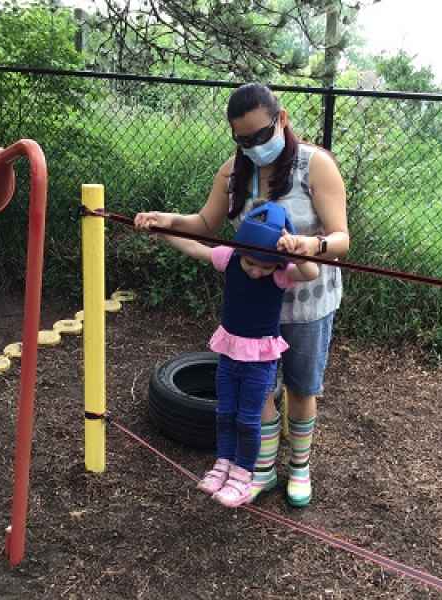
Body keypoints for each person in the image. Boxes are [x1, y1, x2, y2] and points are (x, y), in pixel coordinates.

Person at [135, 82, 349, 507]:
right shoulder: (236, 169)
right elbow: (204, 225)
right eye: (242, 139)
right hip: (253, 308)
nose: (252, 146)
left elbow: (341, 238)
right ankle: (263, 469)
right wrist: (166, 221)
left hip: (306, 300)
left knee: (302, 389)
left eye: (259, 135)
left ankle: (300, 468)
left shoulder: (315, 165)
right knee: (259, 391)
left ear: (282, 119)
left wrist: (310, 246)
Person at [159, 202, 319, 507]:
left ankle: (243, 475)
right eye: (251, 263)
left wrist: (296, 248)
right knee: (225, 413)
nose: (257, 271)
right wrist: (160, 230)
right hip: (230, 353)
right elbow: (194, 248)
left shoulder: (282, 273)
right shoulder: (230, 258)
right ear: (241, 250)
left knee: (248, 419)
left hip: (260, 360)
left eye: (266, 266)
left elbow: (310, 272)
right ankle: (223, 465)